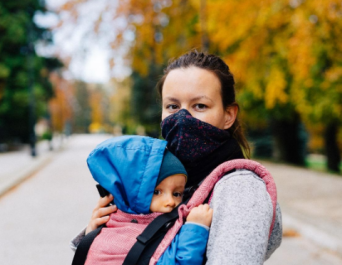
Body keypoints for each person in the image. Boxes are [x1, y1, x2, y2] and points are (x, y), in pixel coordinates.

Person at [74, 50, 283, 264]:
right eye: (173, 106)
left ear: (228, 115)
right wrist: (98, 235)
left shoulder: (240, 189)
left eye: (200, 106)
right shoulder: (166, 176)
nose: (183, 118)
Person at [76, 135, 212, 265]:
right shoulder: (113, 236)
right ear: (130, 193)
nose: (170, 201)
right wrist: (196, 228)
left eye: (177, 194)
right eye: (157, 192)